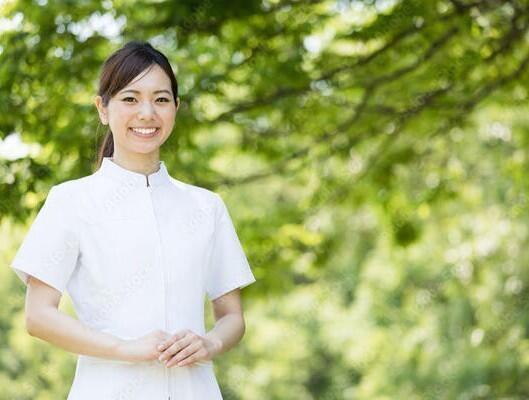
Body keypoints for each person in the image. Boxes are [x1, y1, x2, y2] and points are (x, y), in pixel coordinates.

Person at [9, 40, 257, 399]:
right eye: (130, 98)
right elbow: (38, 317)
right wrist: (125, 349)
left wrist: (209, 344)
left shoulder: (206, 207)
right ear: (103, 109)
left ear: (175, 108)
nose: (147, 113)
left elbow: (232, 317)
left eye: (161, 99)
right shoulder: (71, 202)